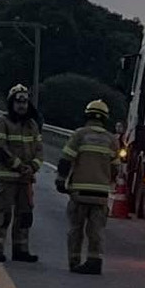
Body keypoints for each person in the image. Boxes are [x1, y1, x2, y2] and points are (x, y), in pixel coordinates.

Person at [57, 100, 118, 275]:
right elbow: (116, 168)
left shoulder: (79, 135)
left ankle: (74, 261)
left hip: (79, 193)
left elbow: (66, 160)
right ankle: (94, 261)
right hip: (100, 195)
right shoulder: (111, 140)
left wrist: (61, 180)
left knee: (76, 229)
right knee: (96, 230)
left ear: (87, 115)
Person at [0, 84, 42, 263]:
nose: (22, 106)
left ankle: (21, 250)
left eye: (25, 102)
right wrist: (19, 166)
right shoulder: (1, 122)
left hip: (25, 181)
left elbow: (39, 151)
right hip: (6, 179)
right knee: (2, 216)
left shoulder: (32, 125)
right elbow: (0, 149)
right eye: (18, 102)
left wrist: (32, 167)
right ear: (11, 103)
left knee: (24, 217)